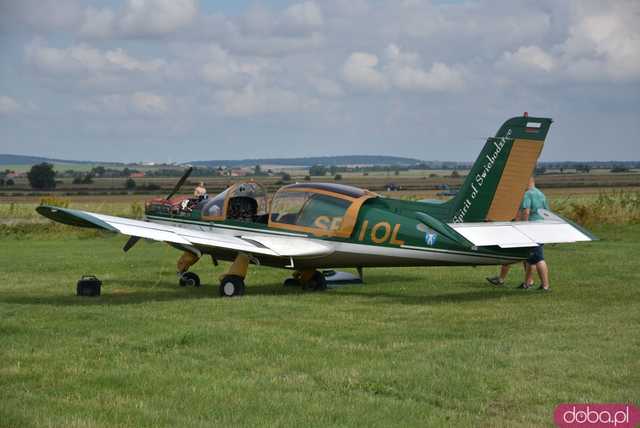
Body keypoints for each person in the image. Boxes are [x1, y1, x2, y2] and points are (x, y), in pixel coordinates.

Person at [486, 176, 550, 291]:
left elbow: (526, 212)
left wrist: (522, 227)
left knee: (538, 258)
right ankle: (527, 283)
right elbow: (547, 213)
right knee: (530, 257)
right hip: (541, 228)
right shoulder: (541, 194)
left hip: (531, 229)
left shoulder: (527, 194)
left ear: (527, 181)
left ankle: (545, 286)